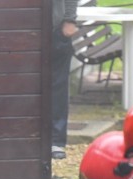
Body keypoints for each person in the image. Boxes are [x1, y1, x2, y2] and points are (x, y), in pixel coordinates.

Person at [51, 0, 79, 160]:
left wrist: (69, 20)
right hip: (22, 30)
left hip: (56, 30)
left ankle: (56, 141)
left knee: (58, 87)